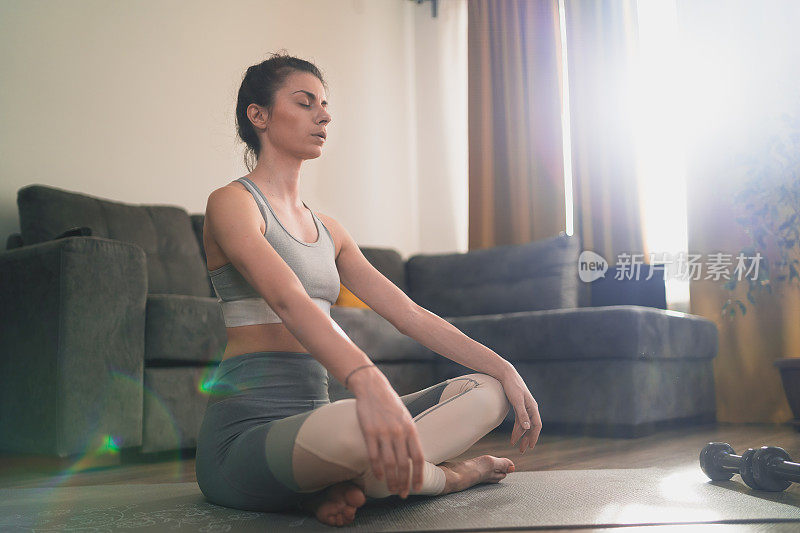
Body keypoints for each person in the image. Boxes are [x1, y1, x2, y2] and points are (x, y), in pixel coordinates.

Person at [195, 51, 542, 527]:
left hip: (321, 424)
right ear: (258, 115)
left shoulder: (330, 231)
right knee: (359, 426)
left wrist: (506, 369)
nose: (324, 115)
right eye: (304, 102)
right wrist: (368, 381)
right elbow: (288, 300)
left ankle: (348, 484)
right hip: (246, 437)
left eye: (324, 103)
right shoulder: (232, 203)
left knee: (486, 391)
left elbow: (410, 315)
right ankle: (450, 478)